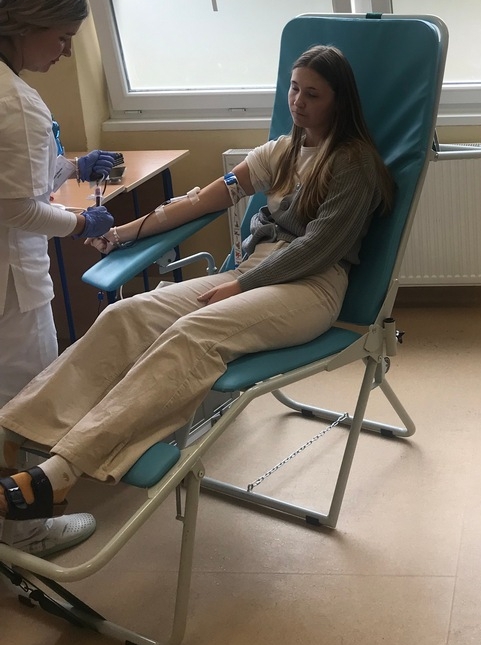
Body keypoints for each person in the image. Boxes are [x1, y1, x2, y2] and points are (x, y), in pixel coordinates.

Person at [0, 44, 394, 523]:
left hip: (310, 287)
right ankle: (15, 431)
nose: (298, 101)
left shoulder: (354, 163)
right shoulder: (282, 151)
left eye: (313, 94)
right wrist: (120, 232)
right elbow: (203, 201)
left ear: (339, 101)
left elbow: (320, 247)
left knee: (193, 334)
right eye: (294, 89)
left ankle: (59, 475)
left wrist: (242, 286)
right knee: (129, 313)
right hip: (251, 273)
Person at [0, 0, 119, 555]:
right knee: (24, 404)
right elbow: (17, 208)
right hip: (11, 289)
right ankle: (26, 531)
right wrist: (81, 222)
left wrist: (73, 166)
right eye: (63, 36)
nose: (68, 51)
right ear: (26, 24)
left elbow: (16, 173)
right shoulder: (16, 101)